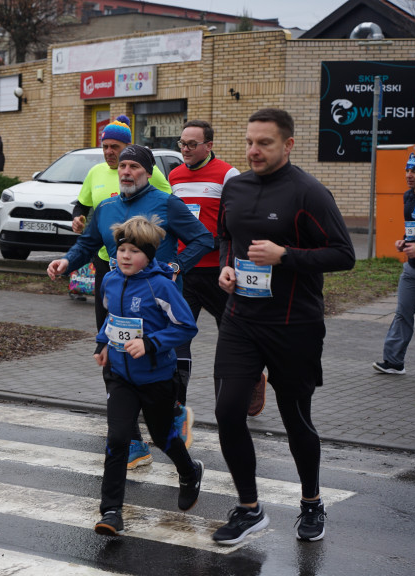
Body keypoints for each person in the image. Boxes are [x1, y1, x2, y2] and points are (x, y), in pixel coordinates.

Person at [211, 108, 354, 546]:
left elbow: (344, 255)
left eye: (265, 143)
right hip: (240, 321)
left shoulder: (309, 193)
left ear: (288, 145)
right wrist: (224, 268)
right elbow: (226, 239)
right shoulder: (234, 186)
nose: (254, 150)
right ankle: (249, 509)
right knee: (227, 411)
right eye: (250, 141)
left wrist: (285, 255)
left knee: (296, 420)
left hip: (294, 326)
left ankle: (311, 501)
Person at [47, 145, 212, 469]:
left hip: (156, 301)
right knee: (113, 361)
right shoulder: (106, 207)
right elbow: (87, 244)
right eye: (123, 166)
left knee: (160, 364)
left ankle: (175, 413)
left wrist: (177, 266)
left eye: (134, 166)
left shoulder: (166, 203)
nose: (126, 171)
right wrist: (66, 261)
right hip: (117, 297)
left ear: (148, 173)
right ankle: (133, 441)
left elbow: (203, 239)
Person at [92, 216, 204, 536]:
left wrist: (151, 343)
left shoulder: (161, 285)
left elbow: (186, 326)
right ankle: (111, 511)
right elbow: (112, 318)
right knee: (117, 439)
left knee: (162, 435)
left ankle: (189, 471)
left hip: (156, 378)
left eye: (133, 251)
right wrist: (103, 343)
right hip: (120, 376)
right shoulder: (111, 280)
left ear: (149, 256)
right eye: (122, 250)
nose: (125, 256)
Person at [168, 121, 267, 417]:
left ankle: (252, 379)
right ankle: (176, 404)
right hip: (185, 271)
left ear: (208, 146)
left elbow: (239, 224)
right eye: (181, 144)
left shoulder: (228, 175)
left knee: (235, 335)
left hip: (219, 272)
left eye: (191, 145)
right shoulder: (173, 176)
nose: (184, 150)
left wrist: (224, 254)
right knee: (178, 336)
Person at [72, 116, 172, 331]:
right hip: (105, 261)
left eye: (114, 147)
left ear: (127, 146)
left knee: (135, 321)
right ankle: (108, 360)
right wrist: (78, 218)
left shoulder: (145, 171)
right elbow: (82, 204)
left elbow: (168, 202)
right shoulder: (95, 172)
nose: (108, 151)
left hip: (139, 261)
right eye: (105, 146)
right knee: (105, 323)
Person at [372, 153, 415, 375]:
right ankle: (394, 362)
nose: (408, 175)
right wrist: (405, 240)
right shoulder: (408, 196)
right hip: (412, 269)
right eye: (407, 170)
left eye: (414, 171)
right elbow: (414, 226)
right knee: (403, 312)